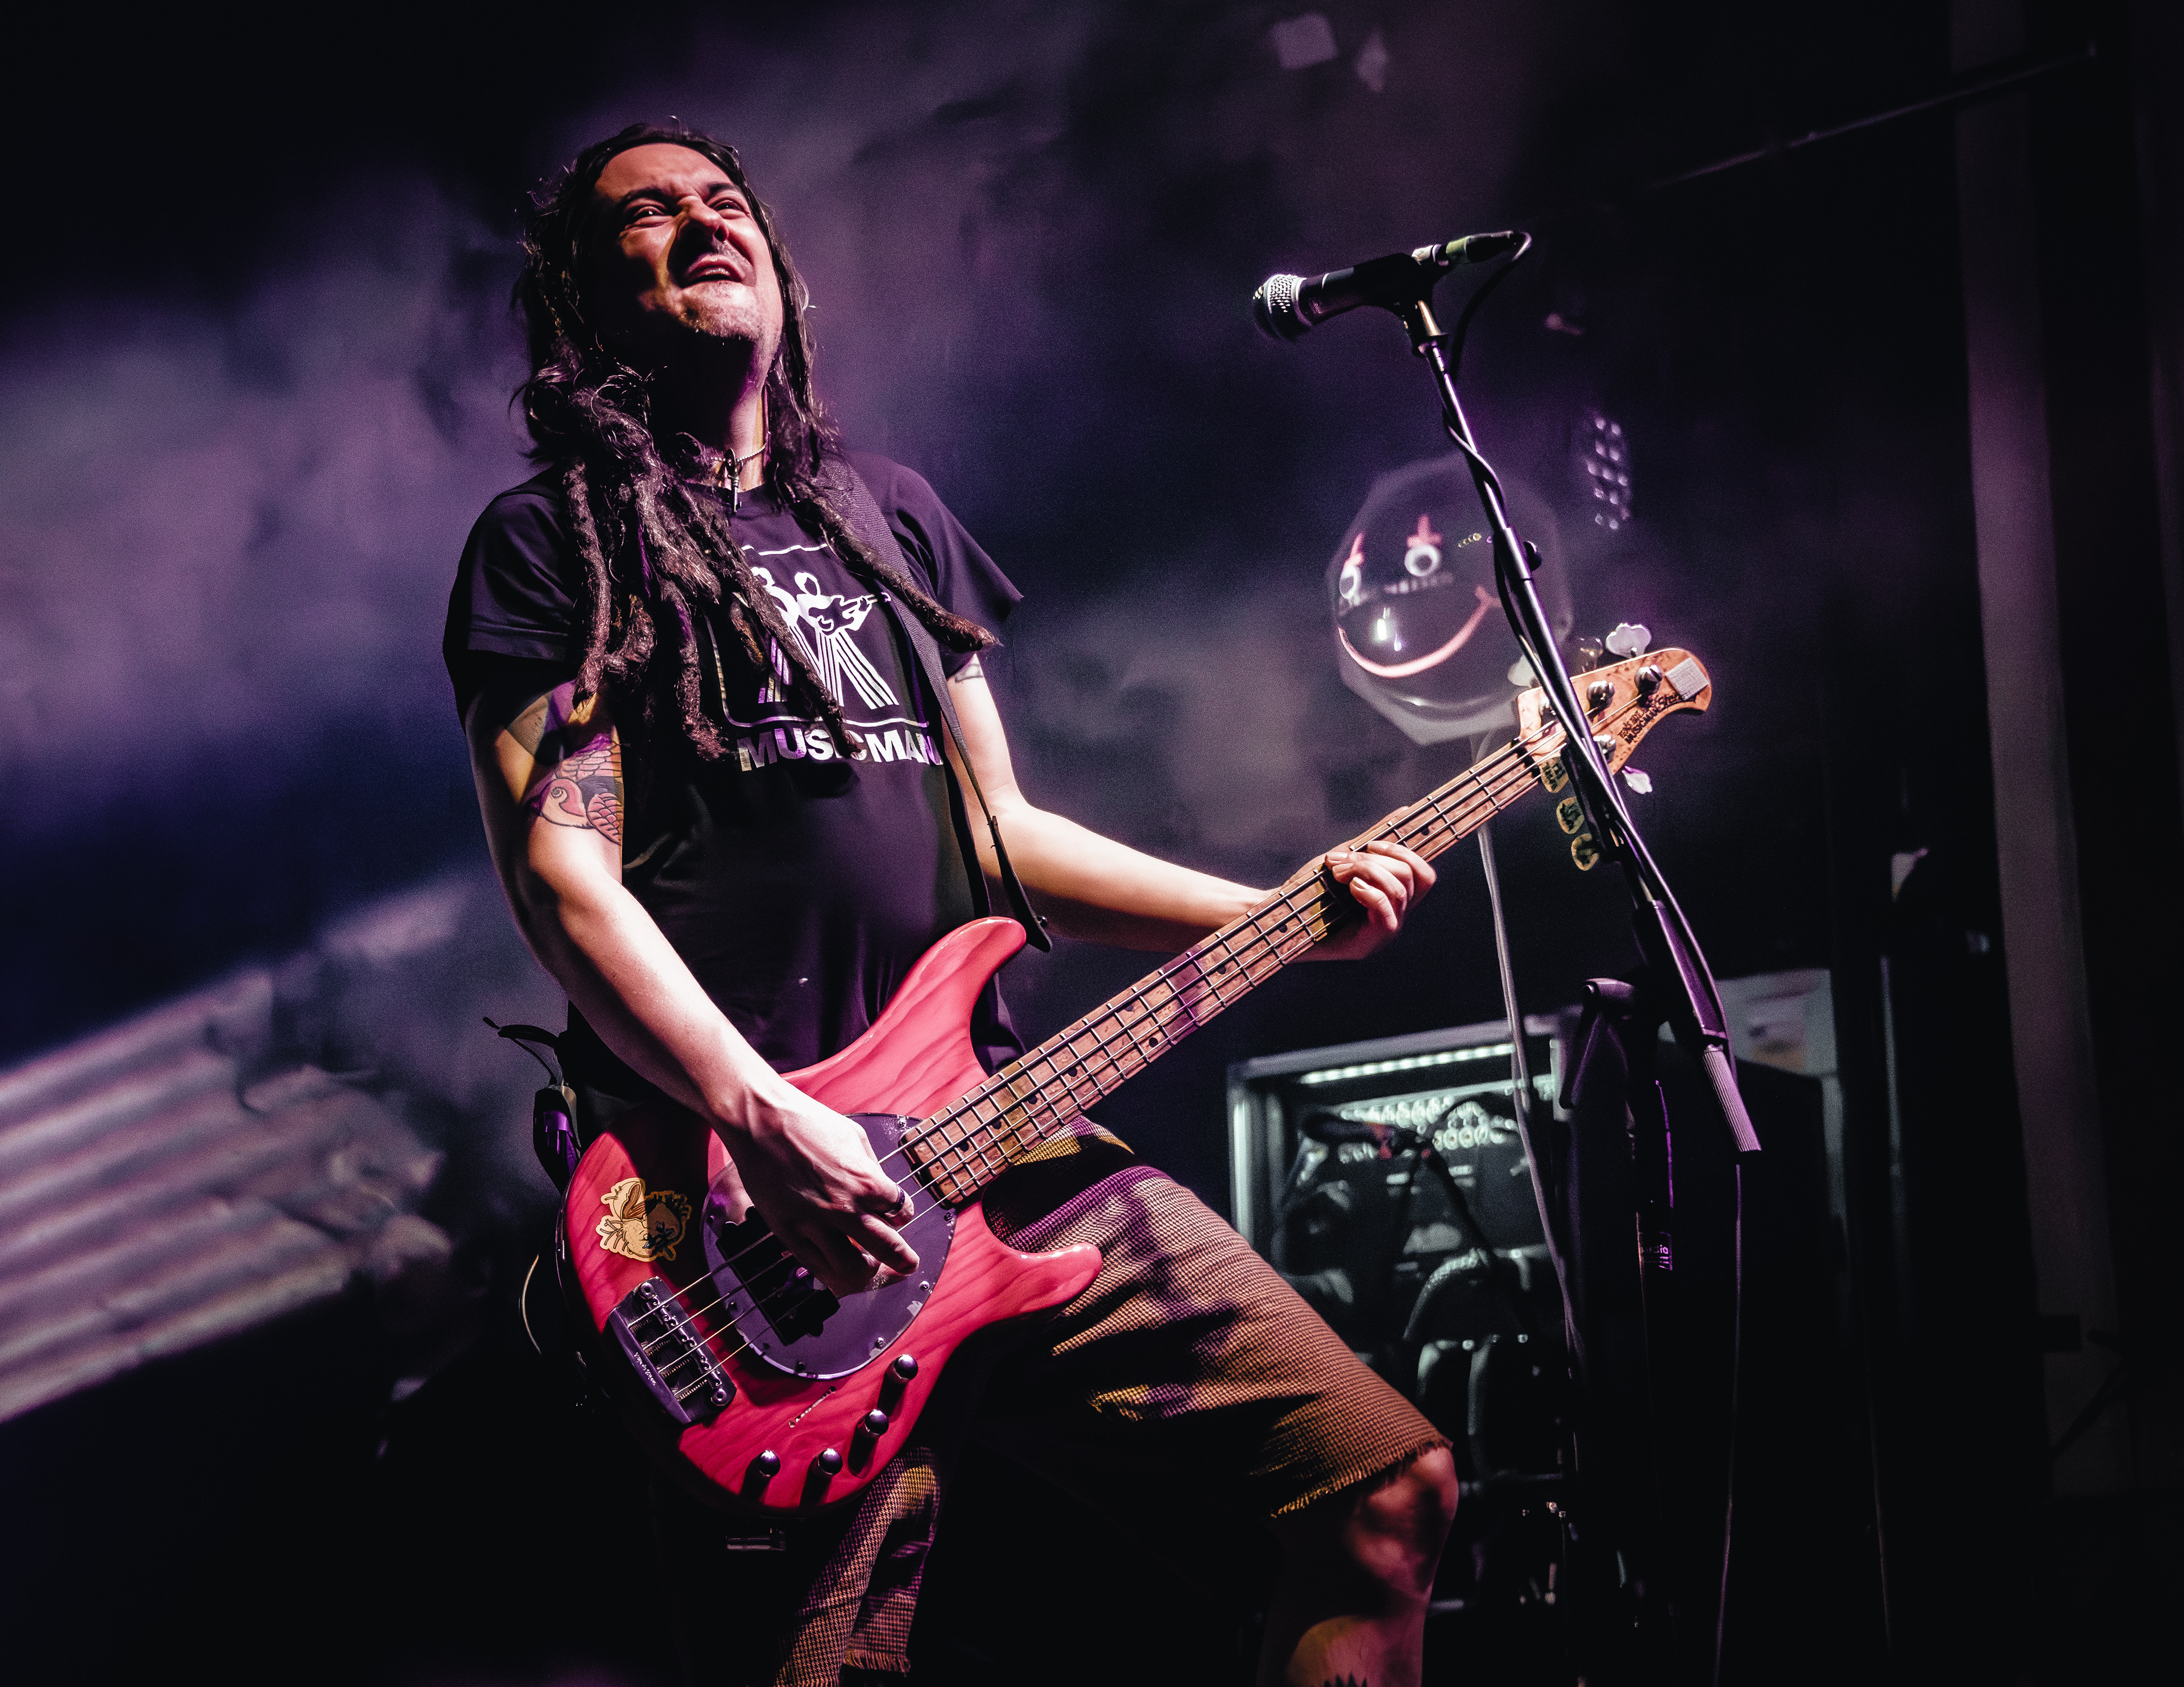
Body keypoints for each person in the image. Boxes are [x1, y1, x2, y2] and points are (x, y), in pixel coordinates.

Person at [445, 122, 1458, 1687]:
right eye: (648, 214)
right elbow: (561, 875)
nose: (704, 222)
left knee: (1383, 1493)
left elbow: (1004, 839)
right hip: (742, 1208)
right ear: (582, 303)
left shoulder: (889, 515)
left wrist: (1273, 908)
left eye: (725, 201)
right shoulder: (550, 544)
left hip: (985, 1136)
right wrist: (762, 1118)